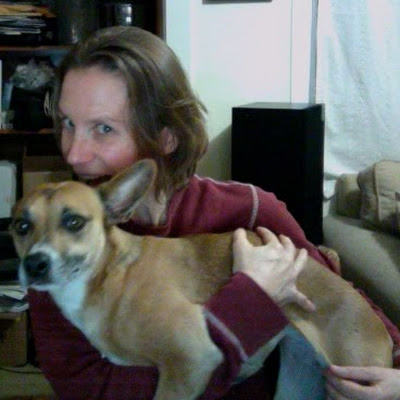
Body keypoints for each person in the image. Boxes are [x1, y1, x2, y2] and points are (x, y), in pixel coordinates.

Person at [27, 26, 400, 400]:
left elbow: (340, 297)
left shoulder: (247, 210)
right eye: (68, 123)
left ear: (167, 137)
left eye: (104, 128)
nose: (74, 154)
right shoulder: (58, 252)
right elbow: (89, 390)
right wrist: (248, 304)